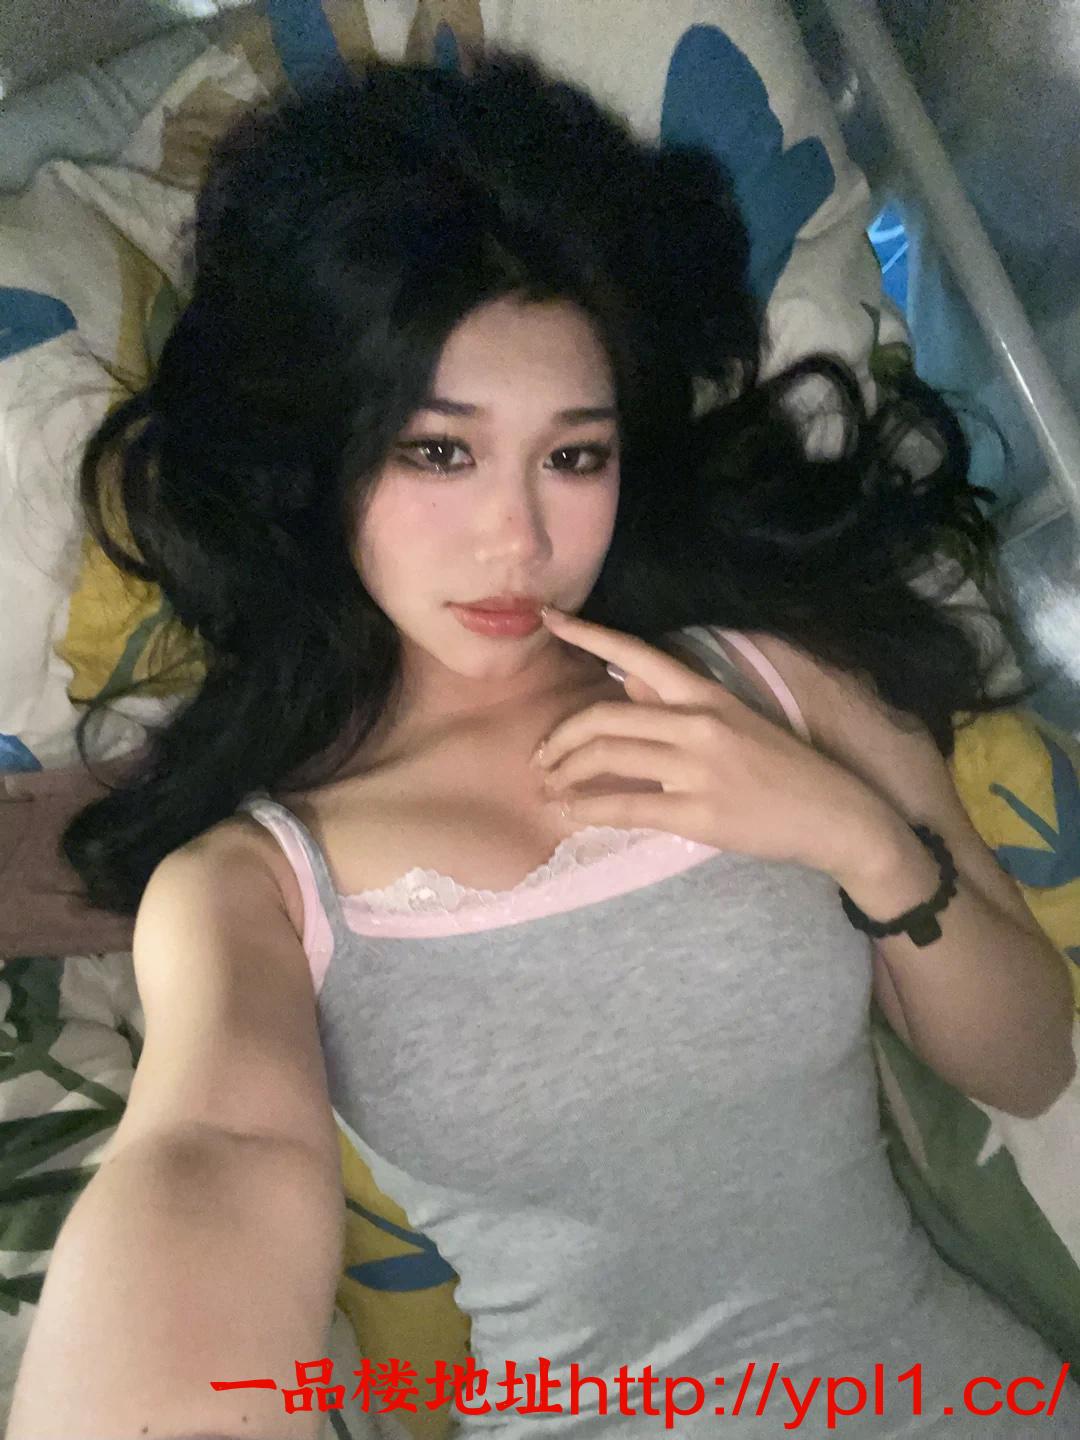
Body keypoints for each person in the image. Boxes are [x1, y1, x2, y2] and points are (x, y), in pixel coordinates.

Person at [8, 50, 1078, 1440]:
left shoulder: (776, 676)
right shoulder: (250, 884)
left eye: (573, 456)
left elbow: (1031, 1061)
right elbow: (214, 1153)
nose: (517, 537)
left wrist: (856, 838)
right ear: (318, 454)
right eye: (438, 452)